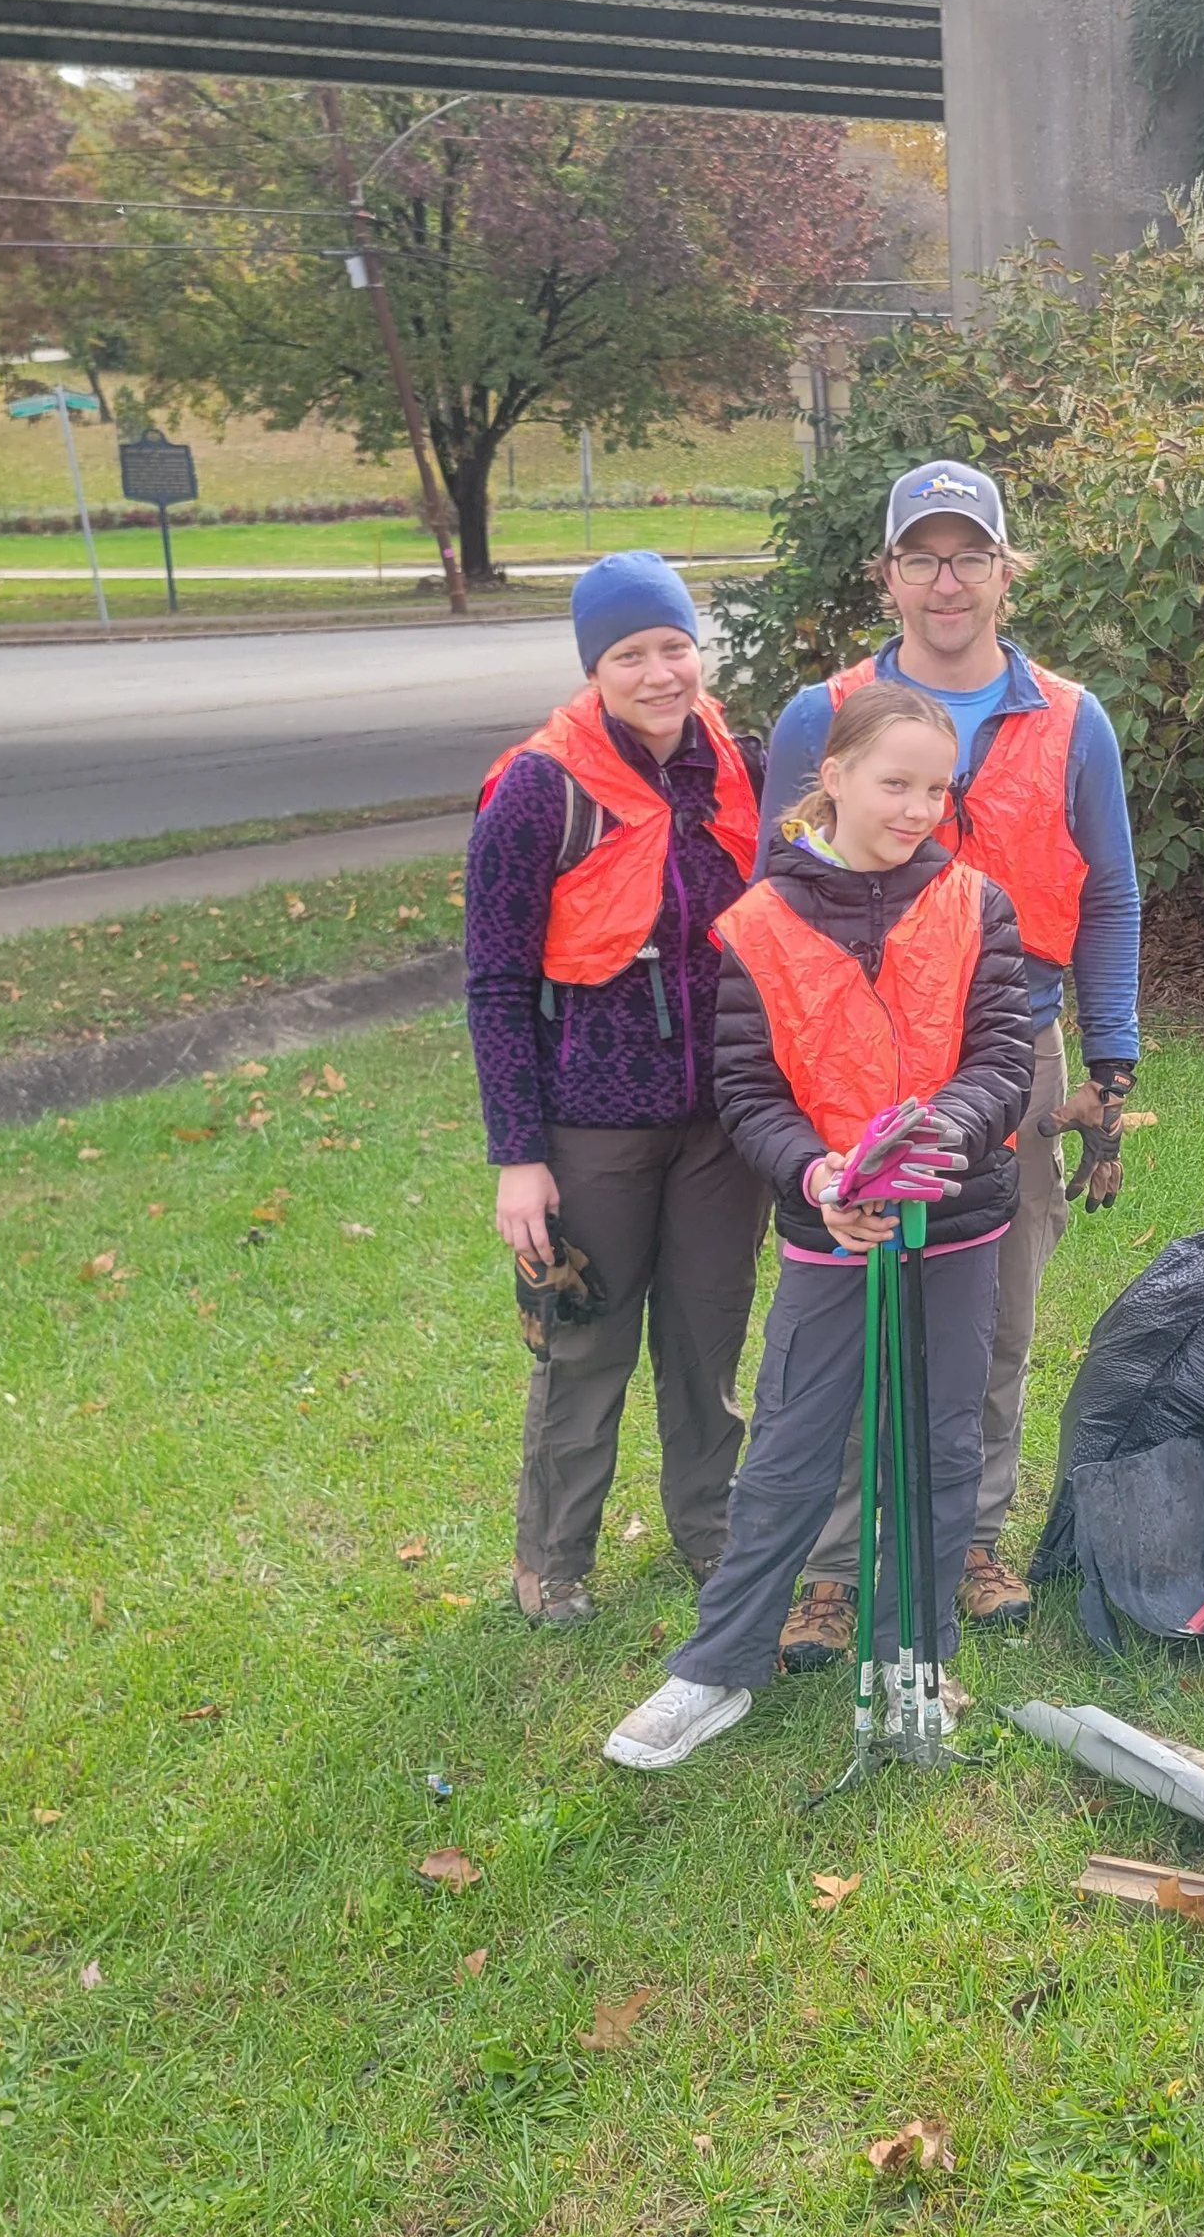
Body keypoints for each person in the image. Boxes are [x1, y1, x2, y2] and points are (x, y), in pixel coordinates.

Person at [602, 680, 1035, 1770]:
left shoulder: (978, 904)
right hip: (829, 1232)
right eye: (894, 784)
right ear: (831, 778)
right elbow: (748, 1091)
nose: (917, 809)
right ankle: (715, 1668)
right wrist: (817, 1175)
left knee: (939, 1446)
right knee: (791, 1447)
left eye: (937, 789)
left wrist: (943, 1140)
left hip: (957, 1223)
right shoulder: (758, 923)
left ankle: (915, 1655)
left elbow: (1003, 1060)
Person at [757, 459, 1140, 1666]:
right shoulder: (822, 715)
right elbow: (771, 896)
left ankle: (969, 1538)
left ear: (1004, 574)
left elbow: (1113, 890)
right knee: (837, 1311)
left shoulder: (1072, 720)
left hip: (1005, 1048)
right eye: (920, 558)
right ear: (887, 576)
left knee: (992, 1316)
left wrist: (1110, 1055)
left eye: (969, 556)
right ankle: (828, 1569)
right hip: (845, 1059)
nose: (946, 582)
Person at [467, 551, 769, 1624]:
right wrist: (519, 1155)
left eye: (674, 647)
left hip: (722, 1126)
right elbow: (496, 982)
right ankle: (552, 1562)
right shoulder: (538, 791)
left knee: (708, 1343)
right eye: (629, 653)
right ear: (595, 666)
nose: (658, 673)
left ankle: (713, 1532)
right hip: (590, 1123)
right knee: (586, 1346)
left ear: (699, 650)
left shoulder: (742, 765)